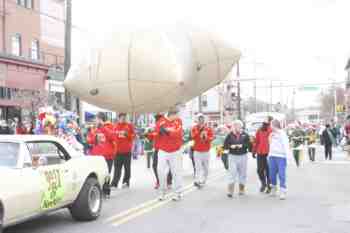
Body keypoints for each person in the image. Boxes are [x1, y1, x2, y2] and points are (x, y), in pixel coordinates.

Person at [155, 107, 183, 201]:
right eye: (177, 114)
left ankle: (177, 193)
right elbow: (157, 131)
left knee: (176, 172)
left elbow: (178, 133)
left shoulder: (178, 121)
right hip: (163, 150)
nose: (178, 116)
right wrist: (161, 131)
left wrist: (167, 132)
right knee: (160, 171)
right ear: (172, 114)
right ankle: (162, 192)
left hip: (175, 151)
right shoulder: (161, 121)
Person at [223, 120, 251, 198]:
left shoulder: (245, 135)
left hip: (243, 156)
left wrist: (242, 146)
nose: (236, 127)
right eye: (235, 126)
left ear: (241, 127)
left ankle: (241, 189)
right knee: (232, 173)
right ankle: (230, 191)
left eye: (238, 126)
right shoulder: (229, 135)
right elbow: (225, 146)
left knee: (242, 173)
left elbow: (249, 145)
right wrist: (230, 146)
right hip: (232, 156)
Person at [147, 114, 172, 189]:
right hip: (157, 149)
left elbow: (167, 134)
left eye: (158, 118)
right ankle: (159, 181)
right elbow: (152, 137)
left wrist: (162, 131)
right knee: (155, 166)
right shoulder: (156, 127)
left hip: (165, 149)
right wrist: (147, 135)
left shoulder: (165, 124)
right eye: (156, 118)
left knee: (168, 166)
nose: (157, 120)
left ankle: (168, 181)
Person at [112, 113, 135, 188]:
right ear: (118, 118)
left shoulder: (129, 126)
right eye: (121, 118)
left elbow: (133, 136)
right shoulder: (115, 126)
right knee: (117, 169)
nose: (123, 119)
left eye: (124, 118)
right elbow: (112, 136)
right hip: (117, 151)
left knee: (127, 168)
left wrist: (127, 134)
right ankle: (114, 183)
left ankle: (125, 182)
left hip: (127, 151)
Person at [268, 119, 290, 200]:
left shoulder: (282, 134)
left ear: (274, 125)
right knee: (272, 174)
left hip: (281, 157)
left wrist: (288, 158)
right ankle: (273, 188)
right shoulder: (271, 134)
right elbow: (270, 145)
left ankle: (283, 191)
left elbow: (286, 146)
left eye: (271, 125)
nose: (270, 126)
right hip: (272, 156)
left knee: (281, 174)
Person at [191, 114, 214, 188]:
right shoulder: (194, 128)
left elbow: (211, 138)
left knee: (206, 168)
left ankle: (204, 180)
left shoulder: (208, 128)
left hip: (206, 151)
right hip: (197, 151)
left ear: (204, 120)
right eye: (199, 119)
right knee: (198, 167)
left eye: (202, 119)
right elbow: (193, 137)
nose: (201, 121)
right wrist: (199, 131)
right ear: (197, 120)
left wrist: (206, 137)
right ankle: (197, 181)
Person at [253, 119, 272, 193]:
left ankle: (269, 185)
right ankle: (263, 183)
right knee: (260, 170)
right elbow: (256, 141)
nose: (264, 125)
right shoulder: (259, 130)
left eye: (266, 124)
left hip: (269, 153)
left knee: (268, 170)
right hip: (260, 153)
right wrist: (254, 151)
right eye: (263, 123)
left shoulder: (271, 130)